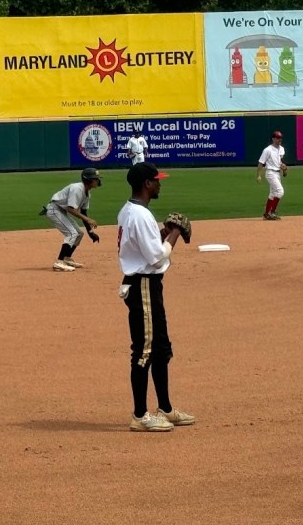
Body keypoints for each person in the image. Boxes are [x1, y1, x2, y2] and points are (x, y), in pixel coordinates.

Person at [117, 162, 195, 432]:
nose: (160, 183)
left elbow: (144, 245)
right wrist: (173, 232)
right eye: (157, 180)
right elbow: (155, 256)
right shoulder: (139, 215)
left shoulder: (132, 211)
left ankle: (166, 408)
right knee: (144, 351)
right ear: (147, 184)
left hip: (148, 286)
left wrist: (163, 232)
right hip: (143, 286)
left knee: (161, 348)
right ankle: (140, 415)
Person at [41, 167, 101, 272]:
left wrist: (90, 232)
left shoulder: (87, 194)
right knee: (72, 233)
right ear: (89, 180)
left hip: (60, 211)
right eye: (96, 178)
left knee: (79, 233)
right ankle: (59, 262)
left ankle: (66, 258)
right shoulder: (77, 189)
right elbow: (71, 209)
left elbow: (83, 212)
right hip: (54, 210)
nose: (98, 181)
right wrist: (88, 219)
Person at [256, 130, 287, 220]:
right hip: (270, 173)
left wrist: (283, 168)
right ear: (273, 139)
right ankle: (272, 212)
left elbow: (280, 162)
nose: (279, 140)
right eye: (277, 138)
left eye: (280, 138)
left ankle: (266, 214)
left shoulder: (281, 149)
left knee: (273, 194)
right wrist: (258, 175)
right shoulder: (267, 150)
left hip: (277, 173)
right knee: (280, 191)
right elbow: (261, 163)